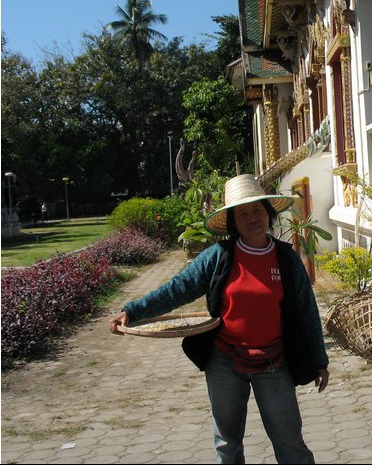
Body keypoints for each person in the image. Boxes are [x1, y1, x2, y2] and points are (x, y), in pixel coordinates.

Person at [109, 174, 329, 464]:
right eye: (243, 214)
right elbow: (177, 289)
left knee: (291, 444)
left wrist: (319, 360)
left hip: (274, 363)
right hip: (224, 362)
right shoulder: (218, 257)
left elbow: (306, 310)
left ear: (268, 213)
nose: (252, 219)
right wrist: (133, 309)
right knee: (227, 443)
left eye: (257, 211)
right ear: (233, 222)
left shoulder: (286, 260)